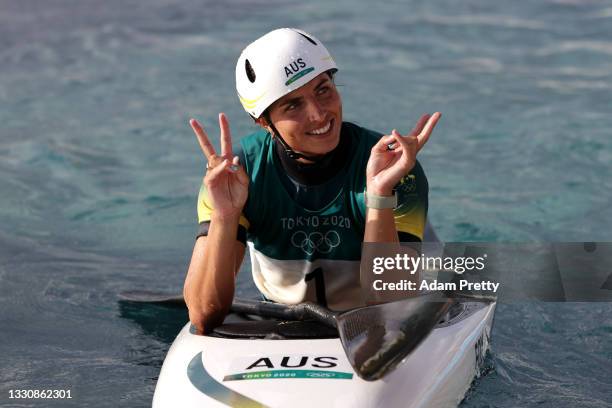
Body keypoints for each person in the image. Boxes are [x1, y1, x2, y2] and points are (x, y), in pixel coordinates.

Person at [183, 28, 441, 334]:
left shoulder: (393, 167)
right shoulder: (236, 174)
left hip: (405, 299)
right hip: (288, 318)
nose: (319, 115)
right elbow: (202, 316)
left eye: (323, 89)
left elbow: (390, 306)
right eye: (293, 105)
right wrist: (225, 217)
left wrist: (379, 194)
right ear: (264, 122)